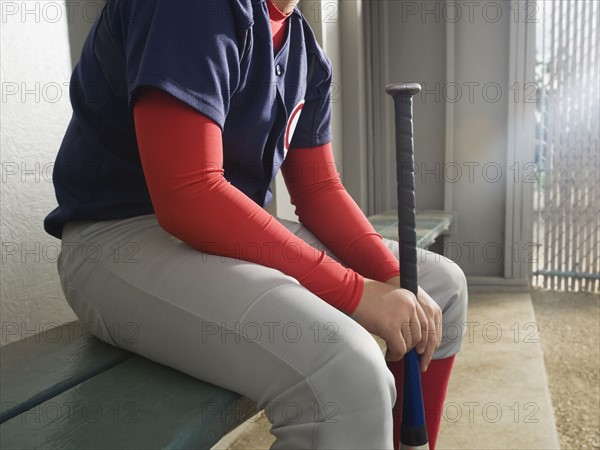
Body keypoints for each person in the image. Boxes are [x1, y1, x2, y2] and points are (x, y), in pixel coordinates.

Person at [44, 0, 468, 448]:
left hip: (226, 238)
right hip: (119, 242)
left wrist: (389, 273)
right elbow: (190, 195)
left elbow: (319, 188)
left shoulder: (303, 47)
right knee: (348, 373)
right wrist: (356, 291)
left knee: (440, 285)